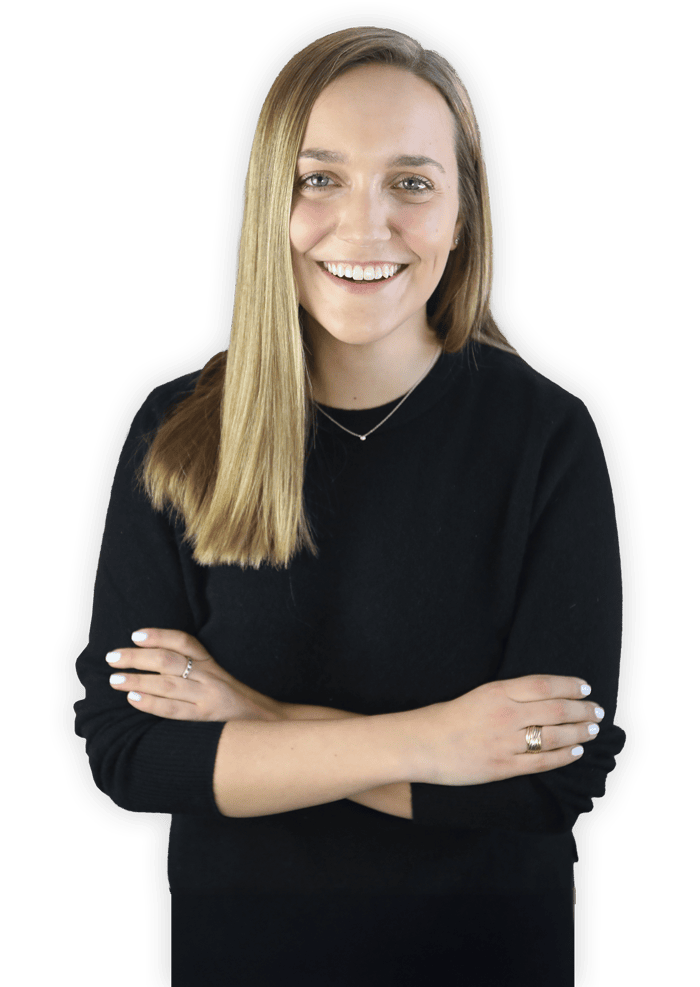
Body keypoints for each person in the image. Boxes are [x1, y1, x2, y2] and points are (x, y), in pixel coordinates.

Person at [74, 26, 624, 986]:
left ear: (463, 216)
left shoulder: (547, 436)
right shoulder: (174, 430)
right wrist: (434, 744)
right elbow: (130, 754)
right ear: (267, 206)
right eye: (319, 178)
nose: (364, 227)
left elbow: (554, 781)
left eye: (411, 182)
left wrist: (253, 715)